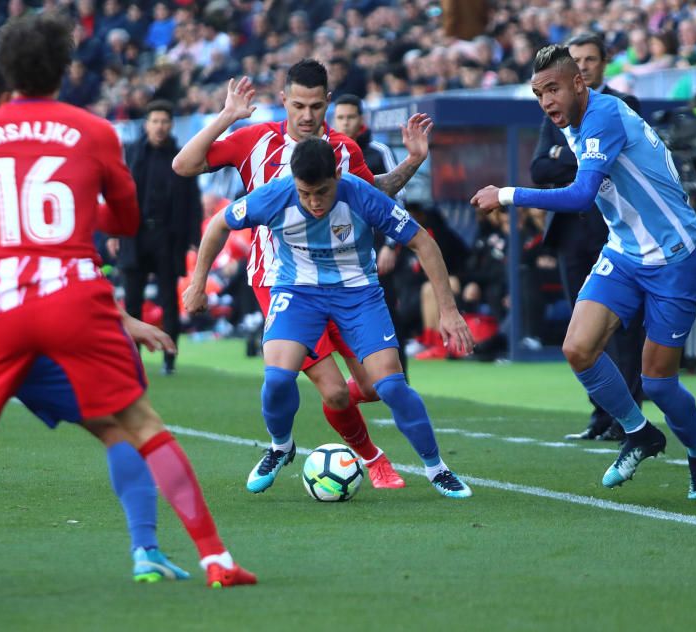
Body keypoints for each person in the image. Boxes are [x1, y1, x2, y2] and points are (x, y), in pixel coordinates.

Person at [0, 13, 255, 592]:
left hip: (2, 301)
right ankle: (215, 560)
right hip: (73, 293)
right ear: (64, 71)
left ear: (7, 73)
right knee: (139, 424)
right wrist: (70, 224)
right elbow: (125, 219)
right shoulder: (94, 131)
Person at [470, 44, 696, 499]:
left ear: (579, 84)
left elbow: (582, 195)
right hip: (625, 252)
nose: (546, 101)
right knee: (577, 349)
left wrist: (507, 194)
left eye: (553, 89)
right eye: (538, 92)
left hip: (674, 257)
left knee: (660, 384)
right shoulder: (570, 121)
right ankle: (639, 433)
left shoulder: (603, 116)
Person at [172, 59, 433, 491]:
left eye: (315, 105)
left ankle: (335, 428)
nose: (308, 115)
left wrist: (414, 161)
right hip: (279, 282)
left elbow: (377, 195)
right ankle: (371, 458)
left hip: (344, 281)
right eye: (298, 105)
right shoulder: (254, 141)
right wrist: (229, 115)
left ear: (327, 102)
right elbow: (185, 164)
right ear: (283, 102)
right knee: (332, 391)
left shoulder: (343, 149)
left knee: (370, 388)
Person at [183, 138, 475, 497]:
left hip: (358, 295)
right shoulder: (275, 195)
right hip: (298, 294)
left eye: (322, 192)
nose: (314, 202)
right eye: (306, 194)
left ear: (338, 174)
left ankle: (436, 469)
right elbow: (218, 224)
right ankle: (280, 446)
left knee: (391, 387)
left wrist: (448, 310)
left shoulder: (361, 195)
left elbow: (423, 243)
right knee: (276, 380)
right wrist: (198, 284)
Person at [530, 33, 644, 442]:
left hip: (616, 233)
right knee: (581, 329)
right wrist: (581, 161)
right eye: (575, 59)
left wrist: (573, 161)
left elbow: (582, 172)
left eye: (589, 60)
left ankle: (628, 416)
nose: (582, 66)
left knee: (624, 328)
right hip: (571, 233)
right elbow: (539, 168)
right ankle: (600, 415)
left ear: (602, 64)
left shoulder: (620, 106)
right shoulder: (553, 110)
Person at [107, 99, 201, 376]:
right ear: (146, 124)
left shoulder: (182, 155)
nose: (159, 127)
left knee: (169, 301)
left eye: (164, 122)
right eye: (155, 121)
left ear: (171, 125)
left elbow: (193, 201)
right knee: (132, 301)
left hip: (167, 236)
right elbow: (117, 193)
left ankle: (169, 360)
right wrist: (113, 231)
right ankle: (132, 362)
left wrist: (194, 237)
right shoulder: (132, 152)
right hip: (134, 234)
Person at [332, 93, 410, 374]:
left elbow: (398, 199)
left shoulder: (378, 151)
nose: (345, 122)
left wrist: (390, 245)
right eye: (340, 117)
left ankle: (399, 379)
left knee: (386, 314)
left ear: (361, 120)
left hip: (377, 248)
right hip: (337, 250)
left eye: (350, 117)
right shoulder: (325, 150)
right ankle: (360, 380)